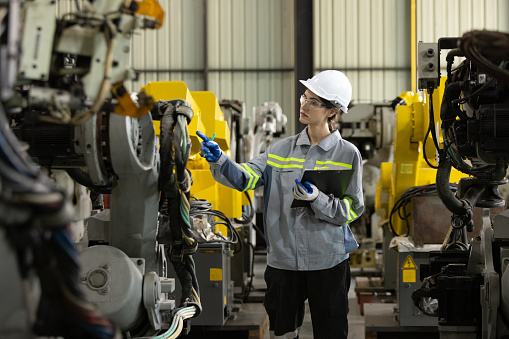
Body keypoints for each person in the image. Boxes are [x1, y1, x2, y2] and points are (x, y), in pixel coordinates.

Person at [197, 70, 363, 339]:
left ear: (332, 111)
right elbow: (246, 178)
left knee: (331, 331)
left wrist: (317, 200)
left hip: (328, 262)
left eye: (313, 102)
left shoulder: (347, 154)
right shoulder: (279, 150)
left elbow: (353, 209)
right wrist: (220, 160)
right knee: (284, 333)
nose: (303, 105)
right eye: (304, 98)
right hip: (284, 262)